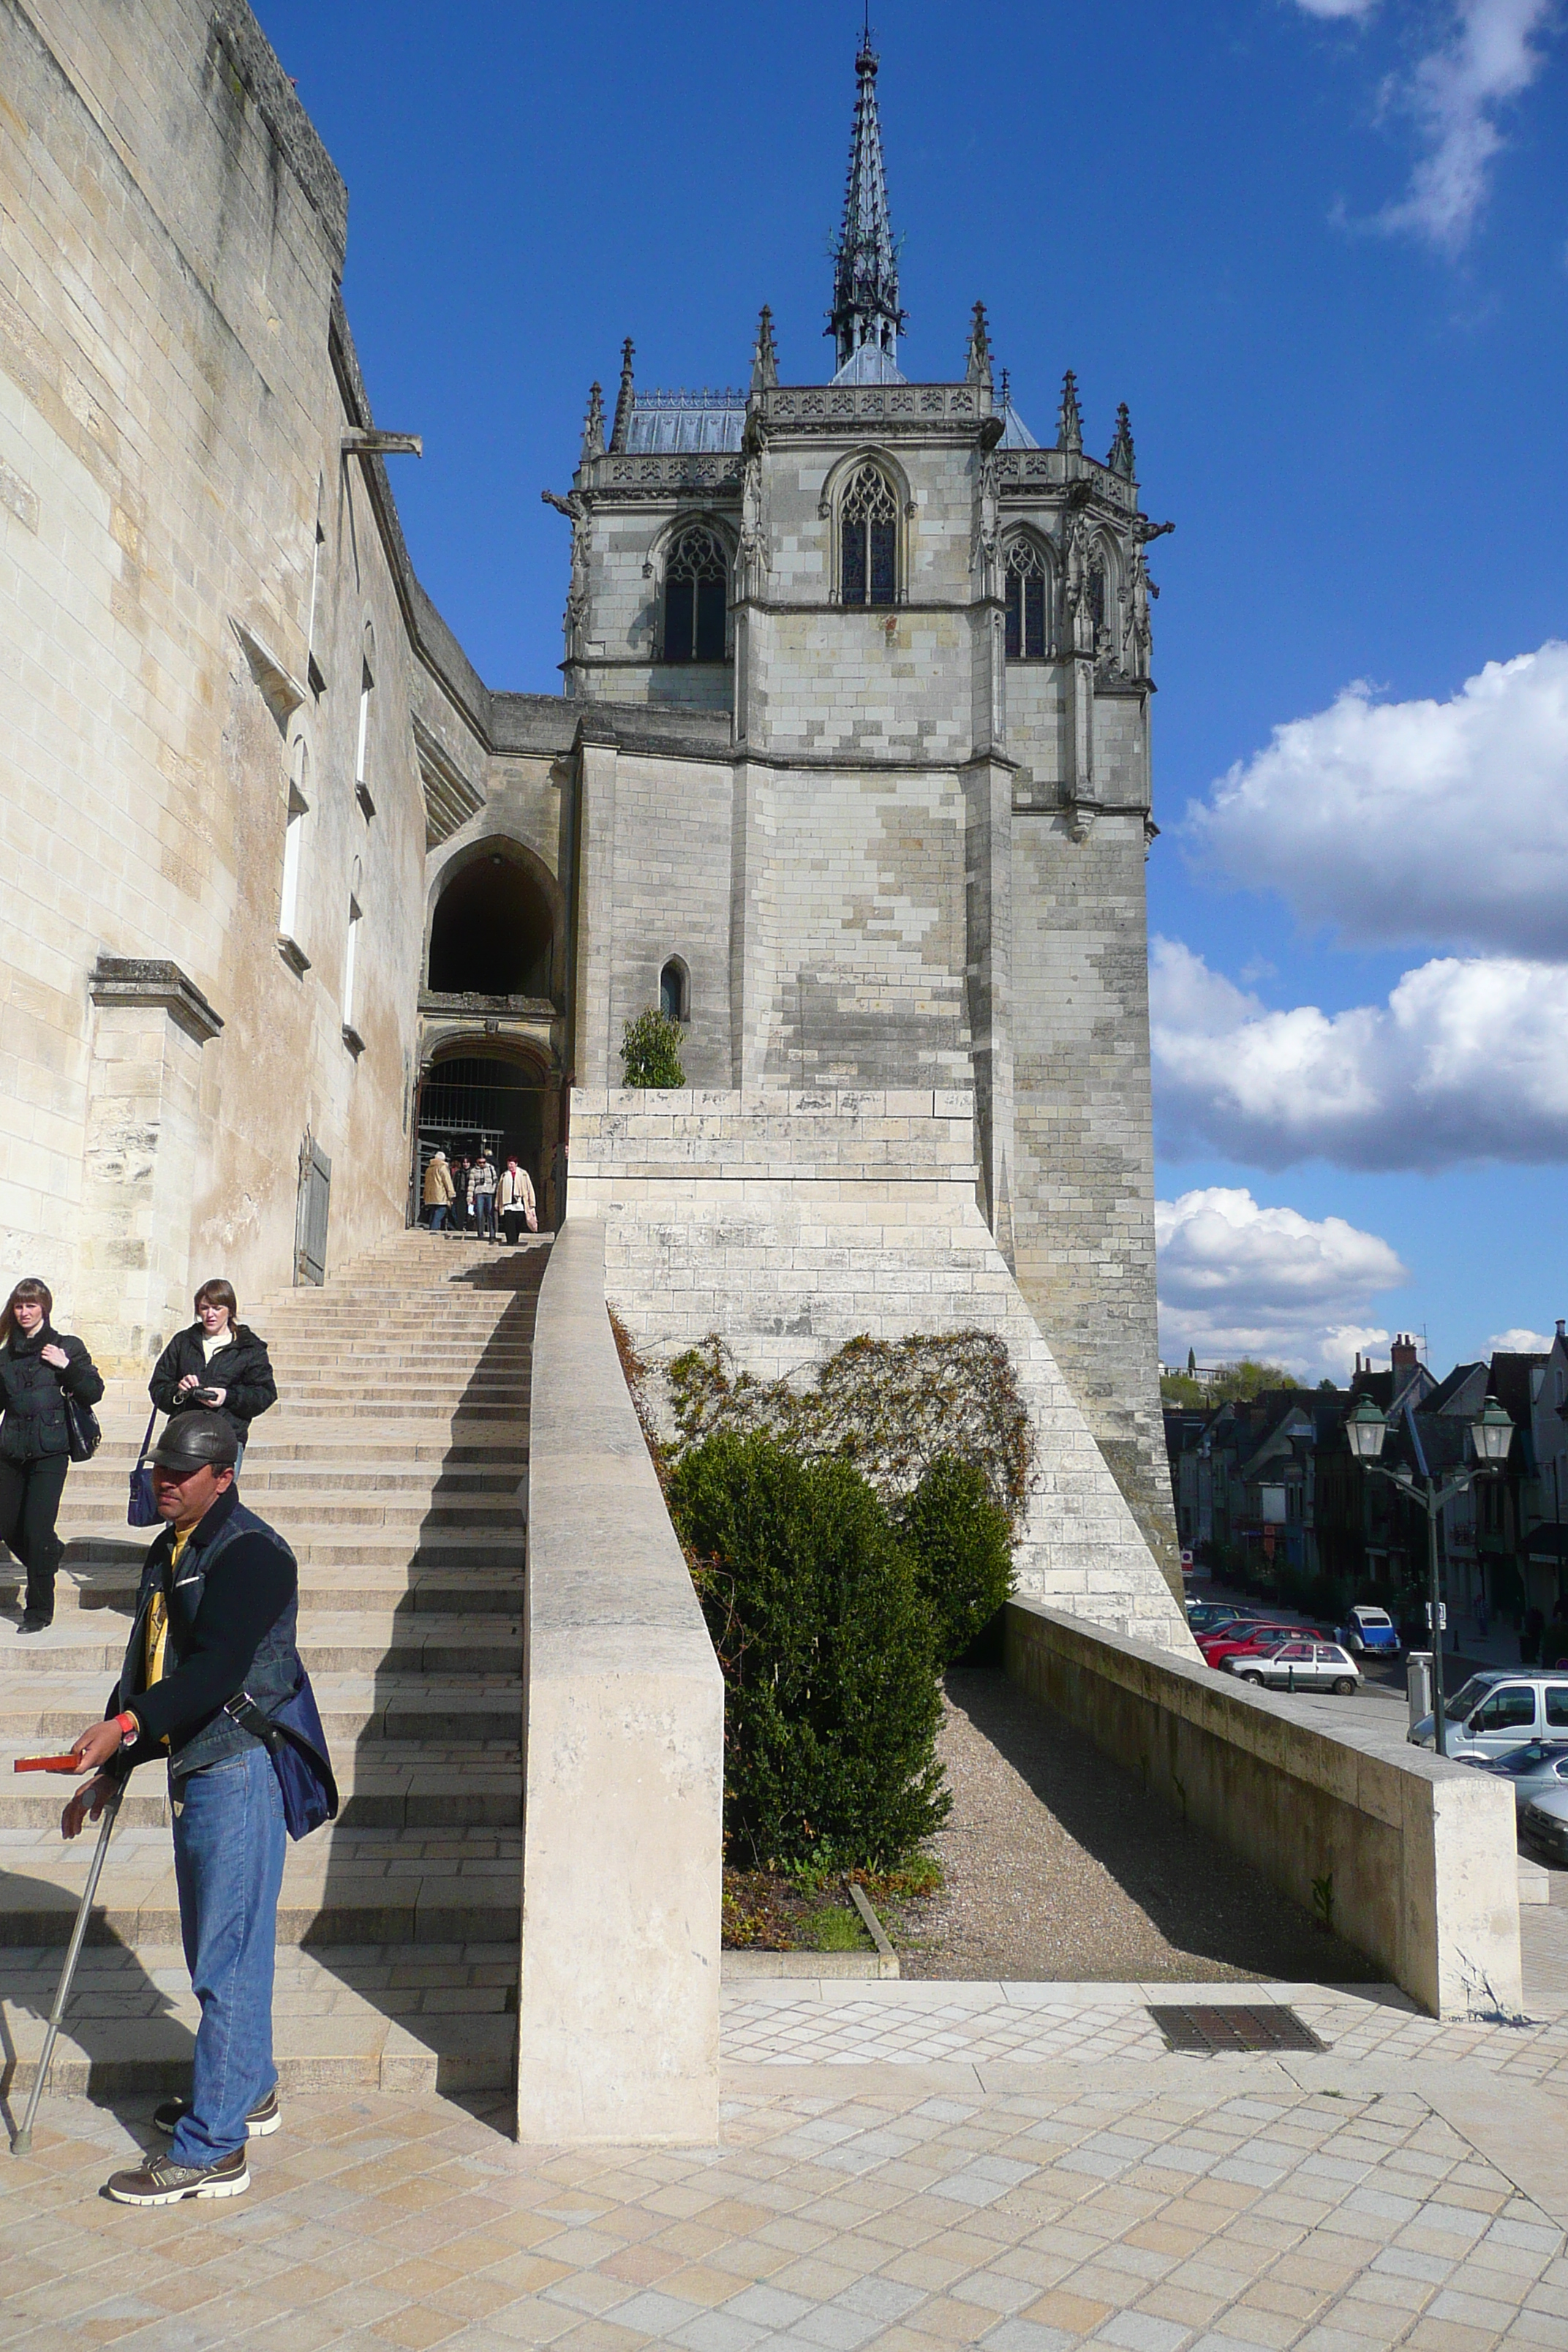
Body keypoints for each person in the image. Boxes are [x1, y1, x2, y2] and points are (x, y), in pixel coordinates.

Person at [61, 1410, 298, 2205]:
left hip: (237, 1770)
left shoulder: (252, 1555)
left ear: (223, 1477)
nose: (164, 1481)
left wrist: (127, 1727)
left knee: (222, 1963)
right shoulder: (171, 1549)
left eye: (182, 1473)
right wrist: (111, 1768)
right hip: (195, 1767)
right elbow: (148, 1666)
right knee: (223, 1949)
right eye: (160, 1469)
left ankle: (212, 2149)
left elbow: (214, 1669)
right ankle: (246, 2089)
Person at [0, 1277, 104, 1632]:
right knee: (6, 1525)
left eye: (31, 1305)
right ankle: (48, 1558)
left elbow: (93, 1390)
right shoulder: (5, 1355)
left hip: (50, 1451)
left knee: (37, 1530)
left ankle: (38, 1611)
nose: (24, 1312)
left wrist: (66, 1366)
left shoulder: (67, 1346)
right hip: (11, 1449)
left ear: (44, 1307)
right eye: (19, 1305)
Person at [148, 1281, 276, 1469]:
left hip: (225, 1438)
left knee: (219, 1498)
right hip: (183, 1437)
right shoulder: (183, 1341)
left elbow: (265, 1394)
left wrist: (228, 1397)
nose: (210, 1315)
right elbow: (158, 1386)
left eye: (217, 1308)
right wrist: (179, 1391)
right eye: (204, 1308)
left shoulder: (249, 1347)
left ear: (230, 1310)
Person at [497, 1156, 536, 1246]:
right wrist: (497, 1202)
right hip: (507, 1203)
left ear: (516, 1164)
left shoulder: (523, 1174)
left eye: (512, 1164)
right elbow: (499, 1190)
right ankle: (510, 1241)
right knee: (508, 1222)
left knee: (519, 1221)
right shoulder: (504, 1175)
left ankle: (515, 1239)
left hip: (519, 1203)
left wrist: (532, 1203)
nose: (510, 1166)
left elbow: (529, 1188)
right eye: (508, 1164)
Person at [470, 1144, 497, 1243]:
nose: (482, 1164)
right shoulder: (473, 1171)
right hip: (479, 1193)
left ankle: (492, 1234)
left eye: (483, 1162)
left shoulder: (491, 1168)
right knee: (480, 1213)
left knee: (490, 1213)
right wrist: (470, 1197)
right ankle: (480, 1233)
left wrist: (493, 1189)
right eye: (480, 1163)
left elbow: (495, 1180)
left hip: (489, 1192)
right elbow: (471, 1184)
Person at [422, 1147, 455, 1232]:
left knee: (434, 1212)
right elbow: (447, 1181)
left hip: (430, 1195)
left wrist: (425, 1195)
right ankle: (434, 1229)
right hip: (440, 1194)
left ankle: (432, 1228)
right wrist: (451, 1194)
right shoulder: (442, 1168)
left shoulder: (429, 1169)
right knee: (441, 1210)